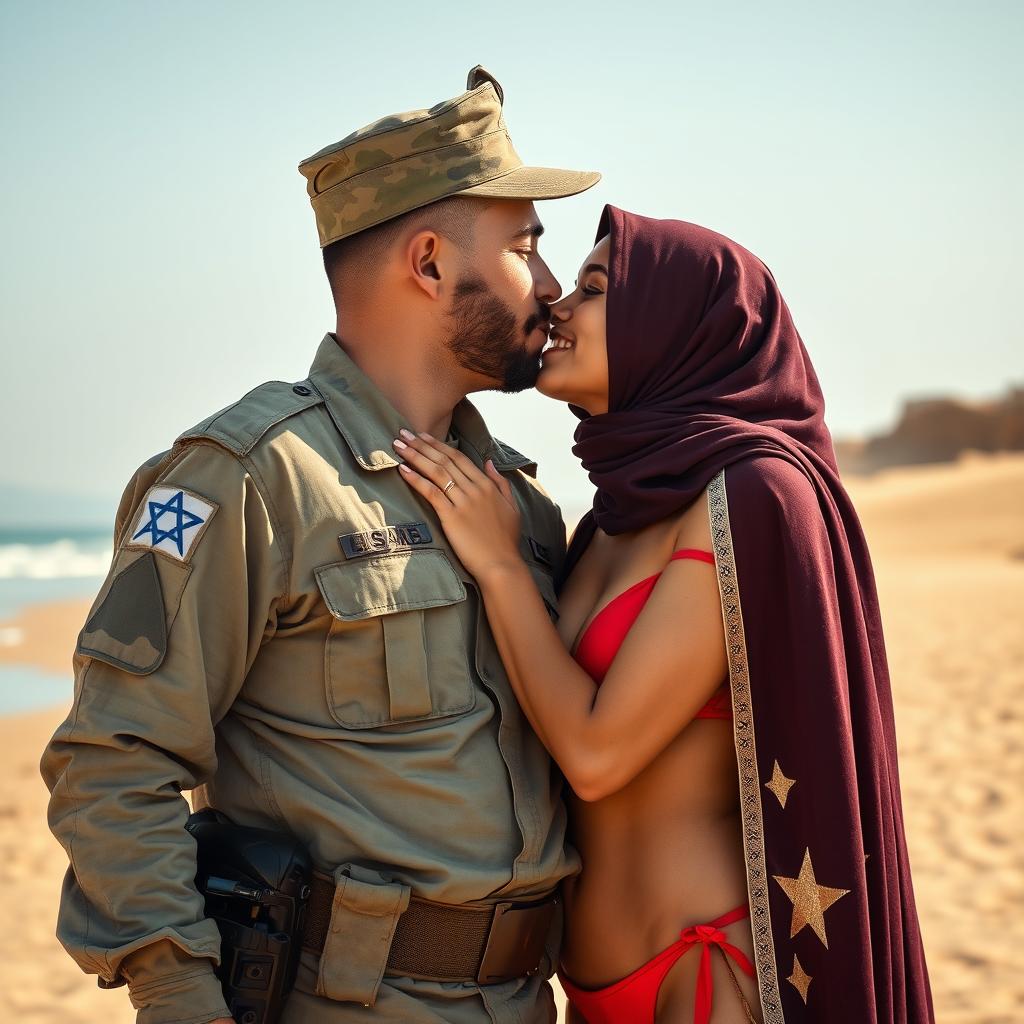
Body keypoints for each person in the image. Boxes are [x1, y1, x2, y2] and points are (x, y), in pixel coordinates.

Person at [39, 67, 600, 1024]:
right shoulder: (249, 477)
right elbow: (113, 760)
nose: (549, 286)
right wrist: (177, 997)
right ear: (428, 264)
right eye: (525, 247)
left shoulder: (520, 503)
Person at [394, 205, 936, 1022]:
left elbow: (596, 755)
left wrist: (501, 565)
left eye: (596, 289)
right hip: (584, 991)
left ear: (677, 329)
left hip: (705, 972)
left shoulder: (751, 494)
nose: (558, 308)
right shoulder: (611, 520)